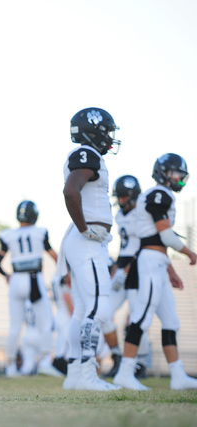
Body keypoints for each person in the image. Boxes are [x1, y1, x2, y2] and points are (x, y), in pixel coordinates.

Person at [114, 153, 197, 390]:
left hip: (158, 261)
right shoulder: (158, 193)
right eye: (174, 173)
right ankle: (126, 371)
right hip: (149, 262)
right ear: (163, 172)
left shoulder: (161, 194)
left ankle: (178, 375)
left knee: (171, 320)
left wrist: (170, 269)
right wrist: (191, 254)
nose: (179, 178)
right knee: (141, 316)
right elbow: (165, 235)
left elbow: (160, 240)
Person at [59, 107, 121, 391]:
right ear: (92, 130)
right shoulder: (88, 154)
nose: (109, 137)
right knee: (98, 307)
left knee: (83, 309)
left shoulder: (87, 156)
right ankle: (86, 375)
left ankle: (74, 374)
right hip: (87, 241)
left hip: (81, 240)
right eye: (106, 131)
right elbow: (71, 191)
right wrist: (84, 228)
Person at [0, 200, 60, 378]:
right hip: (34, 279)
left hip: (16, 280)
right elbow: (55, 256)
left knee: (15, 327)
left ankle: (10, 367)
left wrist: (8, 276)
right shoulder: (40, 232)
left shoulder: (9, 235)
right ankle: (45, 361)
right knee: (46, 323)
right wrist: (62, 273)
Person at [103, 175, 151, 378]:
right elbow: (123, 246)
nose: (120, 201)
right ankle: (117, 357)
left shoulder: (143, 212)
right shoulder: (120, 215)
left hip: (138, 267)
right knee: (104, 312)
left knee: (136, 317)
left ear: (132, 195)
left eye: (123, 197)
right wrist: (116, 271)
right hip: (122, 266)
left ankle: (140, 363)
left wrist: (128, 270)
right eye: (119, 197)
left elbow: (143, 245)